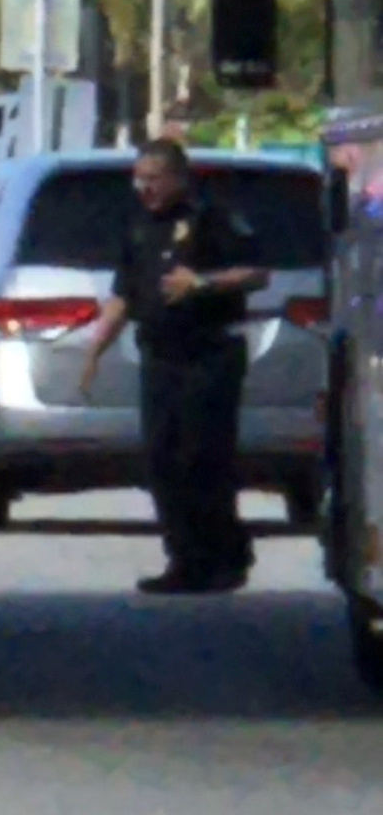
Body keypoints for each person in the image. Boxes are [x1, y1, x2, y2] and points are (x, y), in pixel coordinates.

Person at [81, 138, 268, 595]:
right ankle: (184, 560)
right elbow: (124, 294)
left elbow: (257, 272)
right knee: (162, 460)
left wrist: (202, 282)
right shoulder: (139, 225)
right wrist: (94, 351)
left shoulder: (211, 217)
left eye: (153, 178)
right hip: (160, 357)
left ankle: (223, 558)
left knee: (204, 457)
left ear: (178, 177)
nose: (143, 187)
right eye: (138, 178)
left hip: (209, 355)